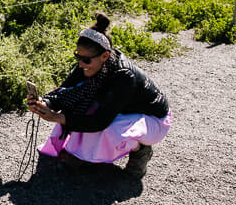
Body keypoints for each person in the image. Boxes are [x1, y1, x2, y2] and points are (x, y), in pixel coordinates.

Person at [26, 12, 170, 178]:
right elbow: (65, 90)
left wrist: (58, 118)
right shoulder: (91, 63)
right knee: (81, 103)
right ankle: (84, 154)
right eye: (77, 57)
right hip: (122, 113)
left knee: (111, 129)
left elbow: (100, 121)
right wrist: (45, 103)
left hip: (153, 120)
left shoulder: (124, 76)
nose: (80, 64)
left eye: (85, 60)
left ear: (105, 56)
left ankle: (141, 151)